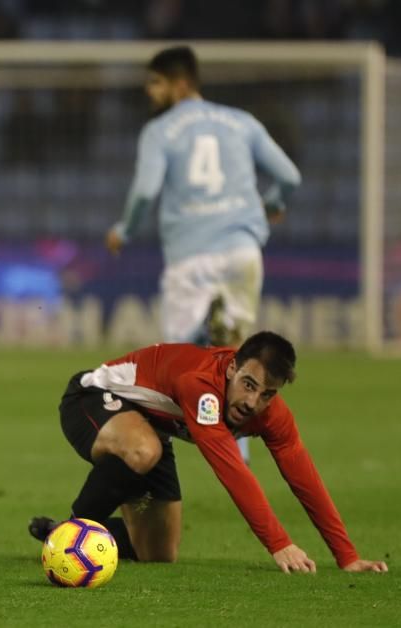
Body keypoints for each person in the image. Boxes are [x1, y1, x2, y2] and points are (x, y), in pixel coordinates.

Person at [28, 331, 388, 574]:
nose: (253, 402)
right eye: (248, 385)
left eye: (267, 394)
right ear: (232, 367)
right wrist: (279, 544)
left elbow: (303, 476)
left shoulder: (271, 415)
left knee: (158, 552)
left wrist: (347, 556)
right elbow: (232, 471)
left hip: (151, 428)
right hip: (92, 399)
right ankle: (68, 536)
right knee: (143, 450)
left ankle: (66, 530)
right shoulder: (200, 386)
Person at [105, 46, 302, 464]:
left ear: (179, 84)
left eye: (155, 82)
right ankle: (239, 448)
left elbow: (144, 190)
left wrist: (124, 229)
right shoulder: (240, 121)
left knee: (176, 363)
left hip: (192, 254)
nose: (149, 90)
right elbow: (289, 175)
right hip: (241, 250)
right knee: (239, 358)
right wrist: (271, 204)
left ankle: (160, 464)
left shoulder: (160, 131)